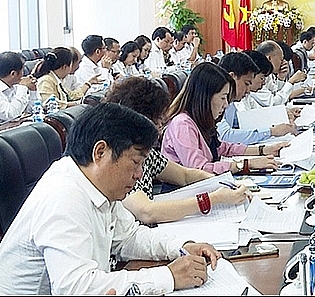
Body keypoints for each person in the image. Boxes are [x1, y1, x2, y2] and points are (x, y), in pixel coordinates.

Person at [0, 102, 220, 295]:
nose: (140, 174)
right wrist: (169, 277)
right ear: (100, 152)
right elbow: (77, 289)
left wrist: (181, 247)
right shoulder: (64, 196)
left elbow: (129, 236)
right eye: (135, 162)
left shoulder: (96, 184)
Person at [105, 77, 249, 224]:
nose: (160, 130)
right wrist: (214, 198)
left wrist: (222, 182)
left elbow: (185, 174)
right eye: (157, 123)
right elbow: (147, 211)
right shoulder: (119, 161)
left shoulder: (148, 155)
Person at [161, 62, 288, 175]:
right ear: (205, 97)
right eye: (223, 97)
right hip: (184, 193)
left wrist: (264, 150)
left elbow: (222, 148)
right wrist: (244, 165)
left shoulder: (199, 120)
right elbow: (199, 169)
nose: (226, 104)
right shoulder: (182, 124)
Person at [218, 52, 296, 145]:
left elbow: (246, 122)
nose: (248, 90)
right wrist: (271, 132)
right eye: (246, 84)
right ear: (232, 77)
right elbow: (225, 136)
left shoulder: (231, 104)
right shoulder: (215, 99)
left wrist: (282, 115)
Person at [254, 40, 306, 105]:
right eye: (281, 59)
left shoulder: (268, 75)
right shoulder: (255, 76)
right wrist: (291, 82)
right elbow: (274, 103)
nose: (283, 62)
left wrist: (281, 78)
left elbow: (277, 93)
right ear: (269, 58)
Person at [0, 51, 38, 123]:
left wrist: (33, 91)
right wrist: (23, 87)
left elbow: (32, 110)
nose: (23, 74)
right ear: (13, 74)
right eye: (22, 70)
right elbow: (12, 115)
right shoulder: (20, 87)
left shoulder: (15, 86)